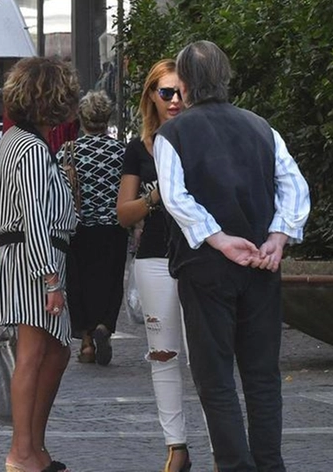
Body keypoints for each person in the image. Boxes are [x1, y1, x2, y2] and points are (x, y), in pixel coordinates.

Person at [155, 40, 310, 472]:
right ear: (225, 78)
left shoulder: (174, 133)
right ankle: (269, 464)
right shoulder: (261, 127)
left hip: (206, 268)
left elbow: (175, 197)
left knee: (215, 377)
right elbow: (293, 185)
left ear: (183, 85)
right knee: (262, 376)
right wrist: (278, 236)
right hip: (262, 262)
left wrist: (219, 239)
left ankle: (236, 466)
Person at [0, 57, 79, 472]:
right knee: (33, 354)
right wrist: (49, 278)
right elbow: (33, 216)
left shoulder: (18, 142)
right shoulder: (27, 147)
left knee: (55, 351)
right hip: (34, 261)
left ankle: (33, 447)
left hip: (27, 257)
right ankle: (22, 452)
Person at [116, 59, 192, 471]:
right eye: (167, 92)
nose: (176, 100)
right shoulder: (138, 148)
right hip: (155, 258)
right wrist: (154, 199)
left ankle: (222, 443)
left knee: (205, 353)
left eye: (182, 91)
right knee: (163, 354)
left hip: (201, 257)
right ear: (151, 96)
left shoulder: (200, 138)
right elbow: (123, 213)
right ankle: (176, 446)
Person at [58, 91, 127, 365]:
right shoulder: (121, 150)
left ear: (82, 118)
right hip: (114, 226)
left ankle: (86, 342)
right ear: (106, 116)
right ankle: (105, 326)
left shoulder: (68, 150)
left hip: (79, 227)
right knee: (111, 282)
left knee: (80, 284)